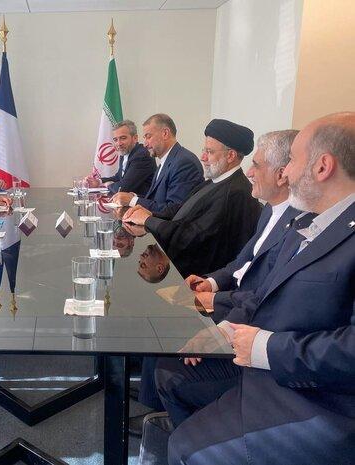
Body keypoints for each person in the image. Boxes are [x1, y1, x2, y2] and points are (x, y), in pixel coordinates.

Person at [147, 112, 355, 465]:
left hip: (321, 402)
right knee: (179, 418)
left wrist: (265, 347)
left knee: (186, 449)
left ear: (322, 167)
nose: (286, 173)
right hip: (271, 376)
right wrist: (225, 331)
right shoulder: (306, 223)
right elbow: (264, 292)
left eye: (293, 161)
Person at [186, 130, 302, 321]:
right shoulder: (269, 209)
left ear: (281, 175)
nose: (249, 173)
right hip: (231, 299)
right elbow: (243, 261)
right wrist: (211, 282)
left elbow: (267, 293)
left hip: (246, 316)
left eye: (256, 165)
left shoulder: (300, 226)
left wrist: (215, 299)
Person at [124, 119, 262, 278]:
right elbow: (183, 214)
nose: (202, 157)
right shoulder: (215, 181)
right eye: (204, 150)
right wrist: (151, 214)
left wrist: (148, 221)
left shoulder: (236, 193)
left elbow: (190, 238)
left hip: (198, 277)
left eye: (209, 152)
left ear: (230, 155)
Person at [111, 114, 203, 216]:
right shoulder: (167, 160)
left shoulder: (184, 163)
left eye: (148, 136)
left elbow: (173, 210)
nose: (145, 144)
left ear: (165, 134)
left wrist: (132, 201)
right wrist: (134, 197)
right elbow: (156, 199)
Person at [85, 120, 156, 196]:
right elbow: (119, 177)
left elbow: (122, 188)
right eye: (115, 140)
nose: (119, 143)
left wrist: (108, 185)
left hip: (142, 201)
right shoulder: (125, 152)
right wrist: (99, 181)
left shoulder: (141, 156)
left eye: (123, 138)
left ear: (135, 138)